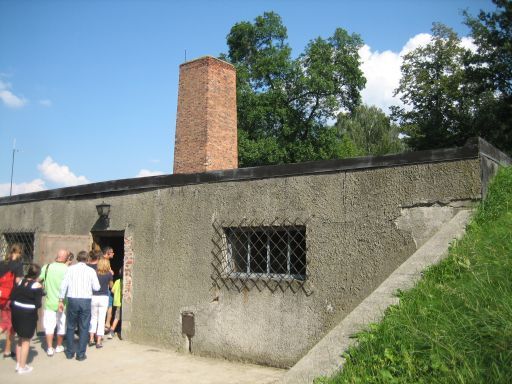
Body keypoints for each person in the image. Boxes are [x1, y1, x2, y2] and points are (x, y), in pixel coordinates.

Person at [58, 251, 100, 361]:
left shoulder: (70, 269)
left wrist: (61, 299)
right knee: (84, 326)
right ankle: (81, 354)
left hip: (72, 299)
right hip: (85, 300)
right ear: (87, 259)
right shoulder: (91, 271)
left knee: (71, 326)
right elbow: (96, 287)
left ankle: (70, 352)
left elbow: (64, 285)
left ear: (77, 258)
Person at [10, 263, 43, 374]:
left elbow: (13, 296)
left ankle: (18, 363)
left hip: (16, 311)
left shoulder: (20, 281)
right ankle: (23, 366)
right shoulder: (37, 286)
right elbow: (38, 304)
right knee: (26, 340)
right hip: (28, 314)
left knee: (20, 338)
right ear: (37, 274)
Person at [39, 249, 69, 356]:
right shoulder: (67, 269)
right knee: (61, 325)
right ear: (65, 258)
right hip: (63, 303)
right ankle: (59, 346)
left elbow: (39, 280)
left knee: (49, 326)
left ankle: (50, 347)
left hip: (49, 302)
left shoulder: (47, 267)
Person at [0, 244, 24, 359]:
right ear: (19, 253)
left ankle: (8, 350)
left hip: (1, 297)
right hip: (12, 297)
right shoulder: (18, 265)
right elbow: (18, 281)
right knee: (10, 326)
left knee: (5, 322)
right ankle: (7, 351)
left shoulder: (2, 263)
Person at [89, 258, 112, 348]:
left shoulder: (94, 273)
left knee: (93, 318)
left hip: (94, 297)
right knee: (102, 319)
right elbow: (111, 286)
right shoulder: (109, 274)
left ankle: (91, 338)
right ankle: (98, 341)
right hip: (103, 297)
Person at [101, 246, 115, 333]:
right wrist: (112, 287)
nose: (113, 254)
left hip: (102, 287)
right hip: (105, 287)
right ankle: (107, 324)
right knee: (109, 305)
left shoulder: (105, 261)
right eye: (112, 252)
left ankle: (105, 324)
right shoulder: (104, 262)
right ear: (108, 253)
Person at [109, 267, 123, 340]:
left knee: (117, 317)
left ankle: (113, 330)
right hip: (121, 302)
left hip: (116, 302)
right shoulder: (123, 282)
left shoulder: (117, 281)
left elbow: (112, 291)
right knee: (118, 317)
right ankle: (112, 330)